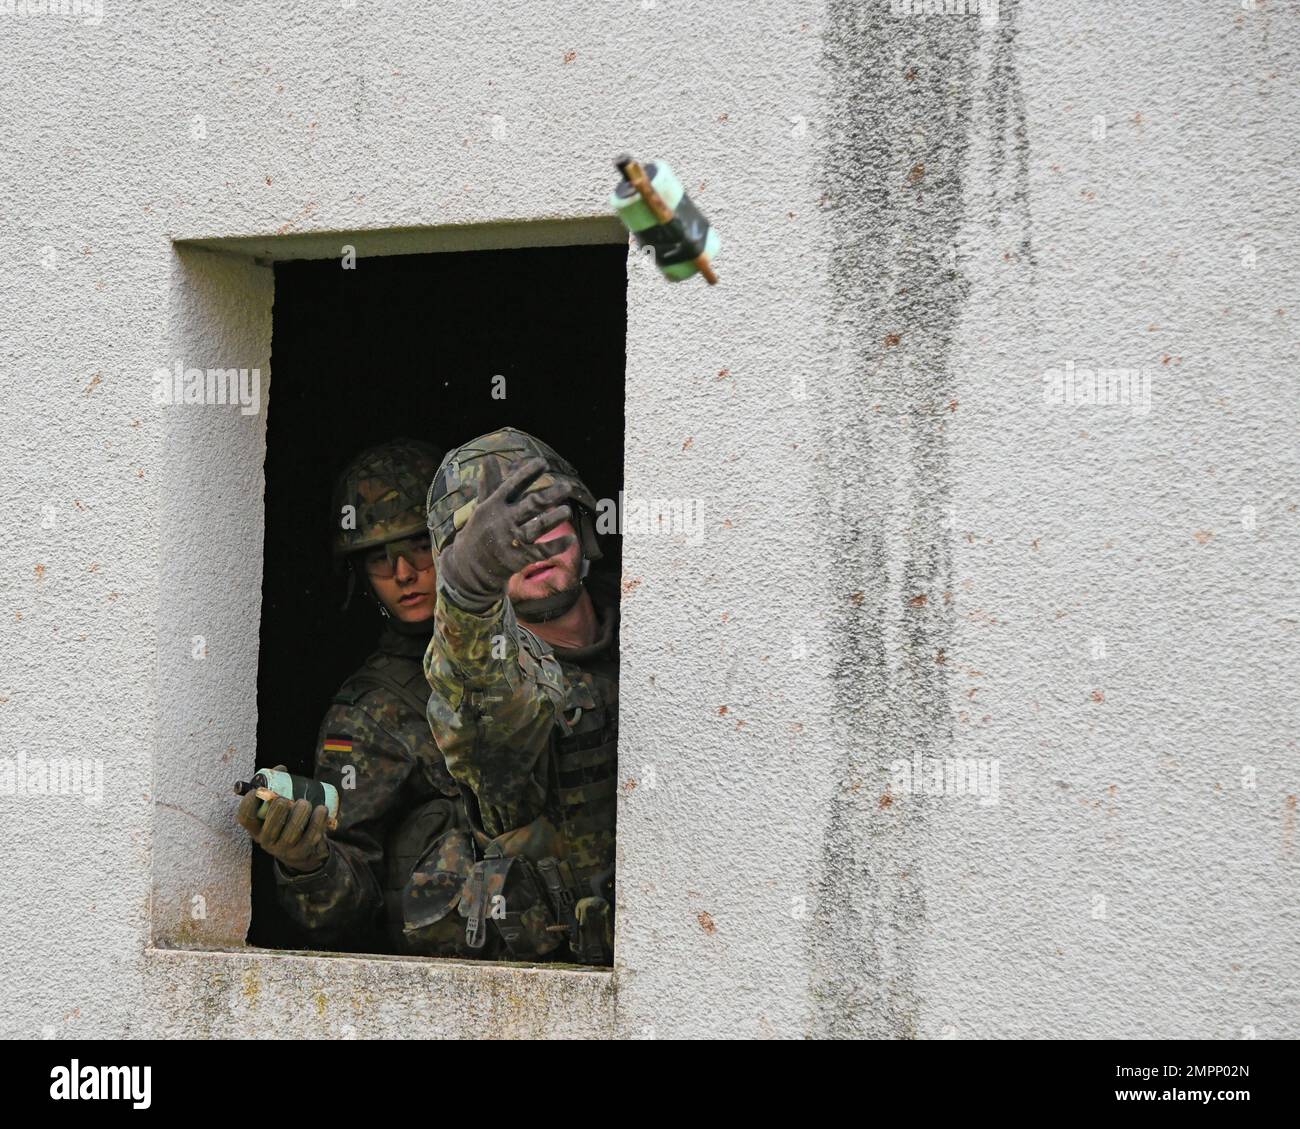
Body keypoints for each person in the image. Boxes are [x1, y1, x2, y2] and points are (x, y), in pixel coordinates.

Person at [236, 438, 474, 957]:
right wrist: (308, 861)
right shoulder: (371, 711)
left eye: (416, 546)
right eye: (378, 558)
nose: (403, 573)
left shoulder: (532, 649)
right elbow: (343, 914)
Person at [420, 427, 619, 965]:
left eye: (546, 519)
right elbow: (484, 690)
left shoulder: (649, 643)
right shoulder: (505, 684)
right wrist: (469, 590)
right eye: (498, 543)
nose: (528, 547)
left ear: (584, 529)